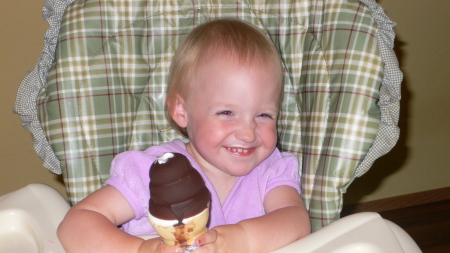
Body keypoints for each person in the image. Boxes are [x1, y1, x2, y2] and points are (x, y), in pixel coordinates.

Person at [58, 19, 311, 253]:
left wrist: (241, 238)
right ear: (182, 111)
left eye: (264, 115)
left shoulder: (270, 171)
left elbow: (296, 220)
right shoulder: (153, 172)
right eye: (227, 112)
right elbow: (76, 224)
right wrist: (142, 250)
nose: (248, 133)